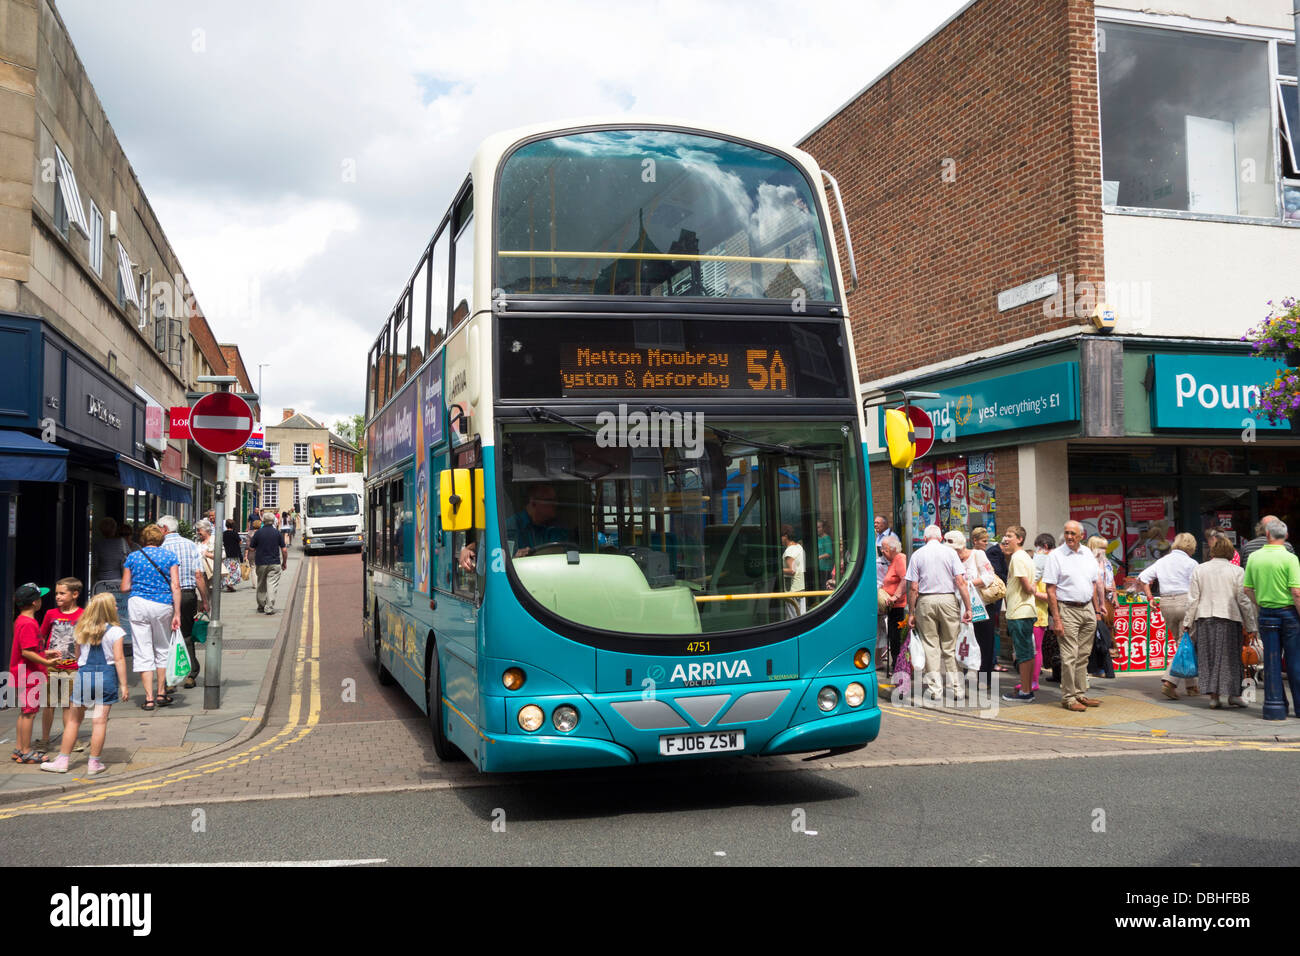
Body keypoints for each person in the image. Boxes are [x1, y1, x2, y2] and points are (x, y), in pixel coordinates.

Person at [40, 593, 129, 776]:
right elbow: (119, 659)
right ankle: (94, 764)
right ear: (107, 609)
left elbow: (78, 656)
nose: (116, 608)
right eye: (113, 605)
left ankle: (63, 761)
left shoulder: (80, 629)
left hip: (85, 675)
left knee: (73, 721)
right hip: (106, 675)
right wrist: (124, 685)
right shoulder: (116, 631)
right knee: (99, 721)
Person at [1186, 533, 1258, 709]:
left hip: (1204, 619)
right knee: (1231, 659)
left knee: (1208, 657)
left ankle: (1214, 697)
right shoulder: (1237, 571)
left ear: (1212, 551)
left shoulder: (1200, 569)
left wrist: (1187, 622)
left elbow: (1193, 598)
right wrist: (1251, 625)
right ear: (1231, 553)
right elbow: (1243, 600)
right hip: (1229, 619)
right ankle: (1234, 695)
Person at [905, 524, 973, 701]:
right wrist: (968, 607)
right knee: (950, 645)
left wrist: (911, 612)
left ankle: (936, 690)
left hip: (926, 601)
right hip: (948, 599)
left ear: (925, 538)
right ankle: (957, 689)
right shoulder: (950, 553)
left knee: (930, 646)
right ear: (941, 538)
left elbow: (913, 588)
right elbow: (960, 581)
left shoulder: (917, 555)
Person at [1043, 520, 1105, 712]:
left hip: (1087, 608)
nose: (1069, 537)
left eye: (1073, 533)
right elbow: (1050, 590)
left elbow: (1093, 583)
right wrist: (1057, 619)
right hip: (1067, 609)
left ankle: (1080, 693)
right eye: (1066, 533)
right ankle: (1068, 697)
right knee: (1069, 655)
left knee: (1083, 654)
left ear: (1081, 535)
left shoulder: (1087, 553)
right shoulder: (1056, 556)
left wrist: (1096, 611)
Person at [1243, 519, 1300, 718]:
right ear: (1286, 536)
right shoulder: (1290, 558)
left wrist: (1260, 604)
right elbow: (1296, 592)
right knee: (1294, 660)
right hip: (1289, 612)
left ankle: (1274, 708)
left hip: (1266, 613)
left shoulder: (1254, 557)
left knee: (1271, 660)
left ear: (1267, 535)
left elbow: (1247, 589)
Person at [121, 523, 181, 711]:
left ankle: (148, 698)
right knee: (162, 648)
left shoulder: (133, 557)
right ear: (160, 539)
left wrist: (140, 586)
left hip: (138, 604)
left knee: (142, 649)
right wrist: (177, 613)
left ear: (143, 539)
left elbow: (124, 587)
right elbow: (176, 586)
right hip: (162, 604)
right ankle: (161, 693)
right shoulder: (170, 556)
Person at [1140, 531, 1200, 699]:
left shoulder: (1162, 561)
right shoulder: (1191, 563)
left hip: (1166, 603)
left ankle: (1191, 685)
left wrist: (1150, 597)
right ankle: (1170, 681)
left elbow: (1143, 578)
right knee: (1185, 644)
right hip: (1185, 602)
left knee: (1182, 643)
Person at [9, 583, 60, 763]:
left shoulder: (21, 621)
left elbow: (30, 648)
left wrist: (46, 652)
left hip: (23, 673)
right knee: (30, 713)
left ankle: (19, 749)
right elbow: (27, 652)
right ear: (34, 603)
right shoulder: (29, 623)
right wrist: (47, 661)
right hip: (30, 675)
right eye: (39, 598)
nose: (41, 601)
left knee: (25, 712)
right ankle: (26, 751)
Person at [159, 515, 209, 690]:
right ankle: (190, 674)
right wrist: (205, 600)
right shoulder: (190, 545)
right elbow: (198, 575)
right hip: (187, 595)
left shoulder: (160, 546)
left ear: (164, 528)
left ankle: (169, 679)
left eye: (159, 528)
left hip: (165, 596)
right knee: (186, 634)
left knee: (167, 637)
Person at [36, 577, 84, 754]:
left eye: (62, 593)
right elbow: (41, 637)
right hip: (51, 666)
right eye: (57, 593)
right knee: (48, 704)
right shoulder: (51, 614)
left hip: (72, 666)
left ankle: (70, 738)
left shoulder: (82, 615)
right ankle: (45, 739)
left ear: (75, 594)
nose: (58, 596)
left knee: (67, 705)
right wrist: (43, 654)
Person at [946, 529, 995, 692]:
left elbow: (989, 577)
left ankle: (984, 678)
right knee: (964, 640)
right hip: (960, 608)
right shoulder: (951, 559)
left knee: (984, 642)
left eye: (957, 551)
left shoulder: (978, 555)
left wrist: (967, 584)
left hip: (982, 606)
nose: (956, 554)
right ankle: (968, 673)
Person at [1001, 526, 1039, 703]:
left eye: (1010, 536)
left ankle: (1025, 692)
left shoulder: (1017, 558)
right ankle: (1027, 688)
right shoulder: (1025, 557)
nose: (1005, 539)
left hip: (1019, 612)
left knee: (1023, 654)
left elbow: (1025, 584)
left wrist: (1031, 589)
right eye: (1005, 536)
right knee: (1028, 653)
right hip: (1025, 610)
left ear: (1020, 539)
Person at [974, 526, 1009, 670]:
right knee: (981, 639)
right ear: (975, 541)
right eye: (983, 541)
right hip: (979, 600)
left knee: (987, 638)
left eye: (987, 541)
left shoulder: (987, 553)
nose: (985, 544)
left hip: (986, 601)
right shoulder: (987, 554)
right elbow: (992, 576)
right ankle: (983, 671)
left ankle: (985, 675)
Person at [506, 484, 570, 556]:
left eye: (556, 500)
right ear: (533, 502)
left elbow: (565, 551)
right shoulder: (512, 526)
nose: (556, 504)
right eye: (550, 500)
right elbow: (507, 559)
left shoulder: (557, 526)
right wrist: (517, 555)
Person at [1026, 533, 1056, 690]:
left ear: (1044, 547)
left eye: (1038, 548)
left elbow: (1050, 596)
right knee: (1030, 649)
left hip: (1038, 615)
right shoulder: (1041, 568)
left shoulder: (1047, 571)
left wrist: (1032, 591)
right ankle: (1028, 680)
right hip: (1031, 613)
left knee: (1036, 649)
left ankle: (1034, 681)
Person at [1086, 535, 1117, 680]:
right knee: (1097, 635)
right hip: (1096, 603)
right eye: (1102, 547)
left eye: (1105, 547)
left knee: (1105, 633)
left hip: (1108, 601)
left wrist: (1115, 596)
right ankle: (1097, 666)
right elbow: (1093, 584)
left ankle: (1102, 666)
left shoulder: (1106, 562)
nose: (1104, 550)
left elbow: (1112, 580)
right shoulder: (1090, 562)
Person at [247, 510, 288, 614]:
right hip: (274, 562)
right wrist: (284, 562)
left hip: (261, 562)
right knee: (272, 585)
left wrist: (258, 548)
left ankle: (261, 605)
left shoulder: (258, 533)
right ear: (273, 520)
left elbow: (251, 548)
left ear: (263, 521)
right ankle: (269, 607)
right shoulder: (277, 533)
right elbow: (284, 550)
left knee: (261, 584)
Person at [878, 534, 907, 673]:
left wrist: (895, 596)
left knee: (896, 638)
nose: (882, 551)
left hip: (899, 607)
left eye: (884, 548)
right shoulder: (894, 560)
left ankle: (899, 667)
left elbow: (905, 578)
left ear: (893, 548)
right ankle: (897, 665)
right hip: (893, 607)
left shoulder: (900, 558)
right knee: (893, 638)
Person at [780, 525, 807, 619]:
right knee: (802, 616)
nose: (780, 539)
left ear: (785, 536)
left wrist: (777, 570)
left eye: (781, 536)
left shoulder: (789, 551)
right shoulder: (799, 547)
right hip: (801, 588)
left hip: (792, 590)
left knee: (793, 618)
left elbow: (792, 570)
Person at [92, 517, 128, 586]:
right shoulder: (122, 542)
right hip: (118, 581)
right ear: (114, 528)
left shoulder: (97, 544)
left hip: (101, 582)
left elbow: (95, 565)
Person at [222, 518, 242, 592]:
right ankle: (230, 583)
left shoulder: (224, 534)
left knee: (227, 569)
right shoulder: (234, 533)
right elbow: (240, 542)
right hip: (234, 553)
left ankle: (228, 584)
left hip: (226, 554)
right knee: (235, 570)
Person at [816, 520, 833, 590]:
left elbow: (829, 553)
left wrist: (818, 557)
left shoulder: (826, 538)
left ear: (823, 528)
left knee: (824, 587)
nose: (817, 529)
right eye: (816, 527)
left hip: (825, 568)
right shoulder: (817, 538)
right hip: (818, 568)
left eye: (818, 527)